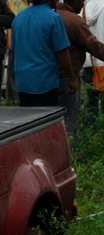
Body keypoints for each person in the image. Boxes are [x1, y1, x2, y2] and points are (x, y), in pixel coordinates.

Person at [11, 0, 75, 106]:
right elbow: (62, 52)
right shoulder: (54, 18)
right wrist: (71, 78)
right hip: (44, 82)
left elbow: (13, 51)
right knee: (45, 120)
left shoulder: (18, 18)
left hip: (23, 83)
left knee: (29, 120)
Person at [56, 0, 104, 142]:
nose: (83, 5)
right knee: (70, 116)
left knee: (91, 101)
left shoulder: (55, 16)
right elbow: (92, 44)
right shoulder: (73, 21)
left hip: (86, 64)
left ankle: (89, 128)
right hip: (71, 73)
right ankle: (72, 150)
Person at [84, 0, 104, 127]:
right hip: (102, 59)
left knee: (91, 102)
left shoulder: (84, 9)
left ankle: (89, 131)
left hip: (88, 61)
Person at [4, 0, 30, 101]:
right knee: (14, 80)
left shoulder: (34, 3)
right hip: (16, 45)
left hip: (32, 45)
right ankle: (14, 103)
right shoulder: (12, 2)